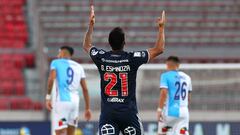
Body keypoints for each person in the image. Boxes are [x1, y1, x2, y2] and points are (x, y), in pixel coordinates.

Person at [83, 5, 166, 135]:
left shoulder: (101, 57)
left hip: (108, 113)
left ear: (109, 42)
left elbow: (86, 45)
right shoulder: (132, 58)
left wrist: (91, 26)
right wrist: (161, 28)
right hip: (129, 114)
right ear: (124, 42)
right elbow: (159, 49)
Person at [45, 46, 92, 135]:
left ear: (62, 53)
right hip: (75, 103)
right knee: (71, 132)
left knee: (59, 131)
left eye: (59, 53)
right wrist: (87, 108)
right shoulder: (79, 66)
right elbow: (85, 89)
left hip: (62, 102)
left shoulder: (56, 63)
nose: (58, 56)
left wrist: (48, 97)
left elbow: (51, 79)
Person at [157, 56, 192, 135]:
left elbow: (164, 93)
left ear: (167, 65)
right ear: (178, 65)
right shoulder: (187, 77)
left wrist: (159, 109)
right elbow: (188, 98)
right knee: (182, 133)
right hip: (184, 113)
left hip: (170, 112)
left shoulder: (165, 76)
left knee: (162, 133)